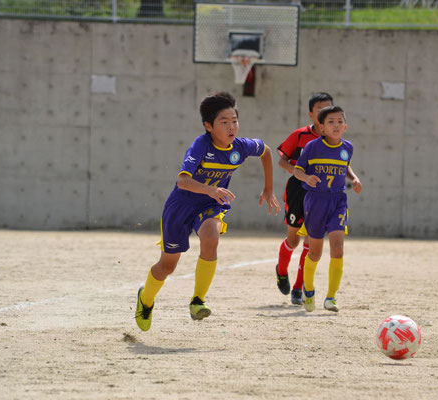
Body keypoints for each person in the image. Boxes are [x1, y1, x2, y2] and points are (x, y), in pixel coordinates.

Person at [135, 91, 281, 332]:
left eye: (234, 120)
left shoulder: (242, 147)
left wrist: (268, 188)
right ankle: (146, 299)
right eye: (224, 122)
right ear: (209, 126)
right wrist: (210, 189)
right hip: (181, 205)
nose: (232, 126)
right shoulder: (201, 145)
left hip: (210, 204)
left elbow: (266, 151)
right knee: (167, 266)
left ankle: (197, 300)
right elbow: (182, 181)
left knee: (211, 237)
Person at [275, 93, 361, 305]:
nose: (330, 117)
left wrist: (354, 178)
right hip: (301, 189)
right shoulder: (303, 137)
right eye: (323, 112)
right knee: (294, 239)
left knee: (313, 244)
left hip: (331, 194)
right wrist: (302, 175)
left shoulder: (344, 145)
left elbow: (343, 163)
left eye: (331, 110)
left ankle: (300, 288)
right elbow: (282, 161)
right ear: (313, 115)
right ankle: (282, 270)